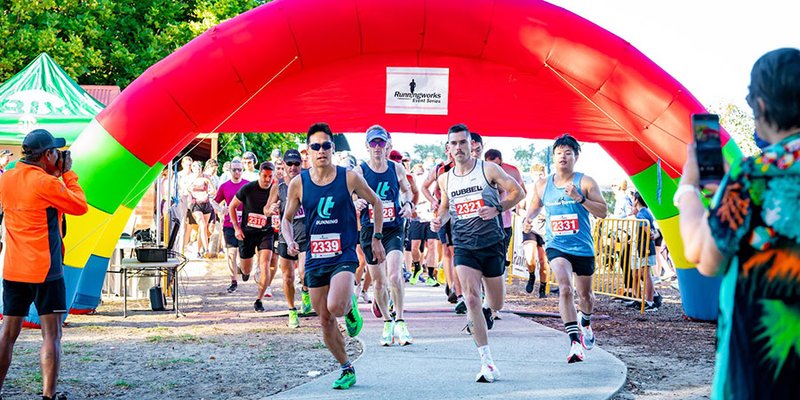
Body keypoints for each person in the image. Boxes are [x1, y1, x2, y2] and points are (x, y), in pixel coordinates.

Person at [677, 48, 800, 398]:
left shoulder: (752, 177)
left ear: (760, 106)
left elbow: (705, 256)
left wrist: (688, 187)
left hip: (763, 367)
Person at [282, 122, 386, 390]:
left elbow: (376, 202)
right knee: (325, 319)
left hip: (344, 253)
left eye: (326, 145)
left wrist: (376, 237)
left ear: (332, 149)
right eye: (315, 146)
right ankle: (346, 367)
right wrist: (291, 240)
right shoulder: (298, 183)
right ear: (308, 151)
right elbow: (287, 219)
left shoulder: (348, 177)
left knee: (336, 306)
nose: (321, 150)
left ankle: (350, 308)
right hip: (316, 256)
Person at [431, 123, 524, 382]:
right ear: (448, 148)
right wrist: (439, 220)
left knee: (496, 303)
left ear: (471, 144)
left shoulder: (488, 169)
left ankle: (488, 309)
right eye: (454, 143)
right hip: (463, 245)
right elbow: (447, 207)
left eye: (463, 142)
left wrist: (497, 208)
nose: (459, 147)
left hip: (491, 243)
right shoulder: (445, 178)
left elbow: (519, 192)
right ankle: (487, 362)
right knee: (470, 298)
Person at [0, 129, 89, 400]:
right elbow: (80, 206)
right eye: (56, 152)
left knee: (8, 332)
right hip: (45, 269)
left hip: (14, 267)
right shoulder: (47, 183)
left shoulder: (7, 178)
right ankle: (48, 396)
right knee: (52, 334)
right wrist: (68, 174)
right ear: (47, 155)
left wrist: (53, 175)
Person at [523, 133, 607, 364]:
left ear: (576, 157)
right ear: (553, 157)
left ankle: (586, 322)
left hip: (582, 247)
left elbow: (603, 211)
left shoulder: (585, 182)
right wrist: (528, 219)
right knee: (564, 288)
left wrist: (580, 198)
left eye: (568, 153)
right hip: (556, 245)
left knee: (585, 296)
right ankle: (574, 342)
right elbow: (533, 207)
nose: (563, 157)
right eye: (559, 153)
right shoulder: (542, 185)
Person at [353, 126, 415, 346]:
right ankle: (387, 322)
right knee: (379, 282)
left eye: (381, 143)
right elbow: (350, 192)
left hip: (393, 227)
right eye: (373, 143)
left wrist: (407, 203)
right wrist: (356, 201)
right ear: (367, 146)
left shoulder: (396, 168)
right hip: (370, 230)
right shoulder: (360, 171)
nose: (377, 148)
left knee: (395, 275)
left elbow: (407, 190)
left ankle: (400, 320)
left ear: (388, 145)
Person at [266, 149, 312, 328]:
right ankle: (292, 310)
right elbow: (266, 208)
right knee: (287, 277)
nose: (293, 167)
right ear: (283, 165)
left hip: (305, 234)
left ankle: (306, 292)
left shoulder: (308, 182)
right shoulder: (279, 187)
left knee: (304, 272)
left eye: (297, 164)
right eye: (289, 164)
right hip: (286, 235)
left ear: (302, 165)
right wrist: (271, 209)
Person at [229, 161, 275, 312]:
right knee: (245, 269)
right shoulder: (248, 188)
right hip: (247, 233)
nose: (267, 180)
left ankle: (259, 300)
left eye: (270, 176)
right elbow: (232, 206)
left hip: (266, 233)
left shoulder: (275, 190)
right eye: (264, 176)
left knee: (265, 264)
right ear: (259, 174)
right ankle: (246, 271)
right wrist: (236, 228)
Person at [213, 158, 249, 293]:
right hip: (229, 224)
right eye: (234, 170)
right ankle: (233, 281)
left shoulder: (247, 185)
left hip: (245, 225)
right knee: (231, 253)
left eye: (240, 170)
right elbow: (214, 201)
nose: (237, 172)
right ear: (230, 170)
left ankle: (245, 271)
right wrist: (220, 209)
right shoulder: (224, 186)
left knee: (245, 254)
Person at [628, 192, 660, 311]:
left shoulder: (642, 214)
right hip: (642, 248)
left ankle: (650, 302)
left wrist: (651, 234)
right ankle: (648, 298)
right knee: (640, 274)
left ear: (636, 200)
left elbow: (650, 233)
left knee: (646, 275)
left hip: (644, 248)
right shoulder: (644, 212)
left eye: (633, 198)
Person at [188, 160, 216, 258]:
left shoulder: (205, 177)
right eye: (195, 167)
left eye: (199, 167)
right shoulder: (190, 178)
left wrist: (207, 194)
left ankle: (198, 251)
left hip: (206, 204)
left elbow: (213, 190)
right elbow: (185, 190)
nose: (197, 169)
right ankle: (206, 248)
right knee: (202, 225)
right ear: (192, 168)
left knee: (202, 229)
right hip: (196, 205)